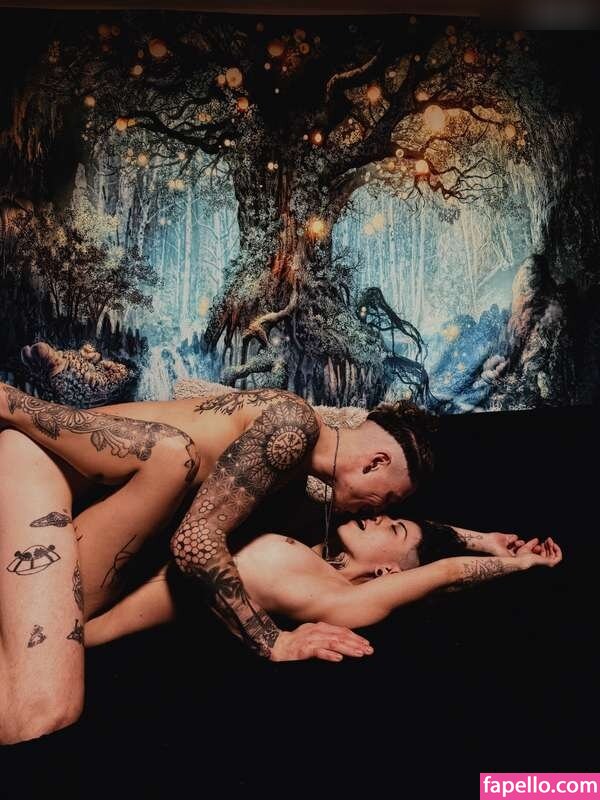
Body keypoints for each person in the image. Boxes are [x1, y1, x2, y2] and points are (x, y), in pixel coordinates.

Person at [0, 381, 434, 743]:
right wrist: (273, 641)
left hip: (72, 505)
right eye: (387, 499)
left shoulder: (295, 475)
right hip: (36, 468)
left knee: (49, 683)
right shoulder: (293, 425)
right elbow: (195, 541)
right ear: (376, 462)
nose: (376, 512)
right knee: (47, 710)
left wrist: (470, 540)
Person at [85, 515, 562, 649]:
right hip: (123, 562)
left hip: (108, 612)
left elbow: (444, 571)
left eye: (392, 529)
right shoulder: (320, 551)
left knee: (85, 635)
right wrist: (485, 539)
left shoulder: (349, 602)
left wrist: (522, 566)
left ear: (389, 573)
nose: (381, 518)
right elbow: (432, 541)